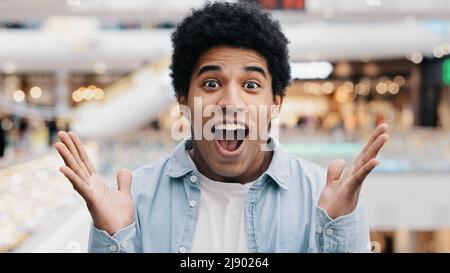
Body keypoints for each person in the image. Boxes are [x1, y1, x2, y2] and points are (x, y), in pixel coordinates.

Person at [54, 2, 389, 253]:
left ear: (277, 102)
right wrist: (113, 241)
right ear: (184, 100)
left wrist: (338, 236)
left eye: (252, 85)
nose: (231, 101)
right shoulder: (134, 201)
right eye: (212, 83)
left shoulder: (326, 200)